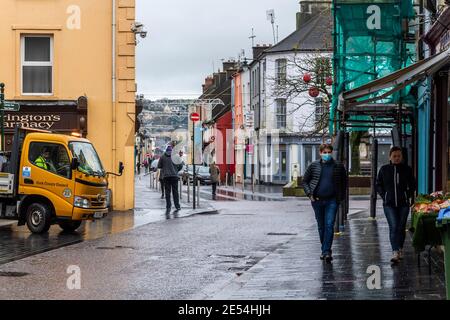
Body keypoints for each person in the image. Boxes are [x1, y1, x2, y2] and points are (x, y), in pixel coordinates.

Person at [302, 143, 347, 263]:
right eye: (324, 152)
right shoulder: (313, 166)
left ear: (331, 153)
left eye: (329, 152)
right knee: (321, 226)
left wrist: (340, 198)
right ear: (320, 153)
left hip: (332, 201)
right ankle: (325, 249)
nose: (327, 154)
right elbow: (305, 181)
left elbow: (344, 183)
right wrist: (309, 195)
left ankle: (326, 251)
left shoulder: (338, 166)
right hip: (317, 201)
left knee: (329, 224)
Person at [376, 146, 416, 264]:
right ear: (390, 157)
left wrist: (406, 195)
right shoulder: (384, 169)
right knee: (393, 226)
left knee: (401, 227)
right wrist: (385, 196)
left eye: (399, 156)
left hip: (403, 204)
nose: (397, 158)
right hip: (389, 204)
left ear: (402, 157)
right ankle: (395, 251)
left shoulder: (407, 169)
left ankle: (400, 248)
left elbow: (412, 185)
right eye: (394, 156)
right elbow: (378, 184)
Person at [158, 145, 183, 213]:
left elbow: (159, 166)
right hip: (174, 176)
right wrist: (176, 170)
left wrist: (165, 167)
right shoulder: (176, 156)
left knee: (167, 192)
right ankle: (177, 206)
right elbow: (181, 165)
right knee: (175, 192)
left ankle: (168, 206)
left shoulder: (162, 157)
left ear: (166, 150)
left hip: (166, 177)